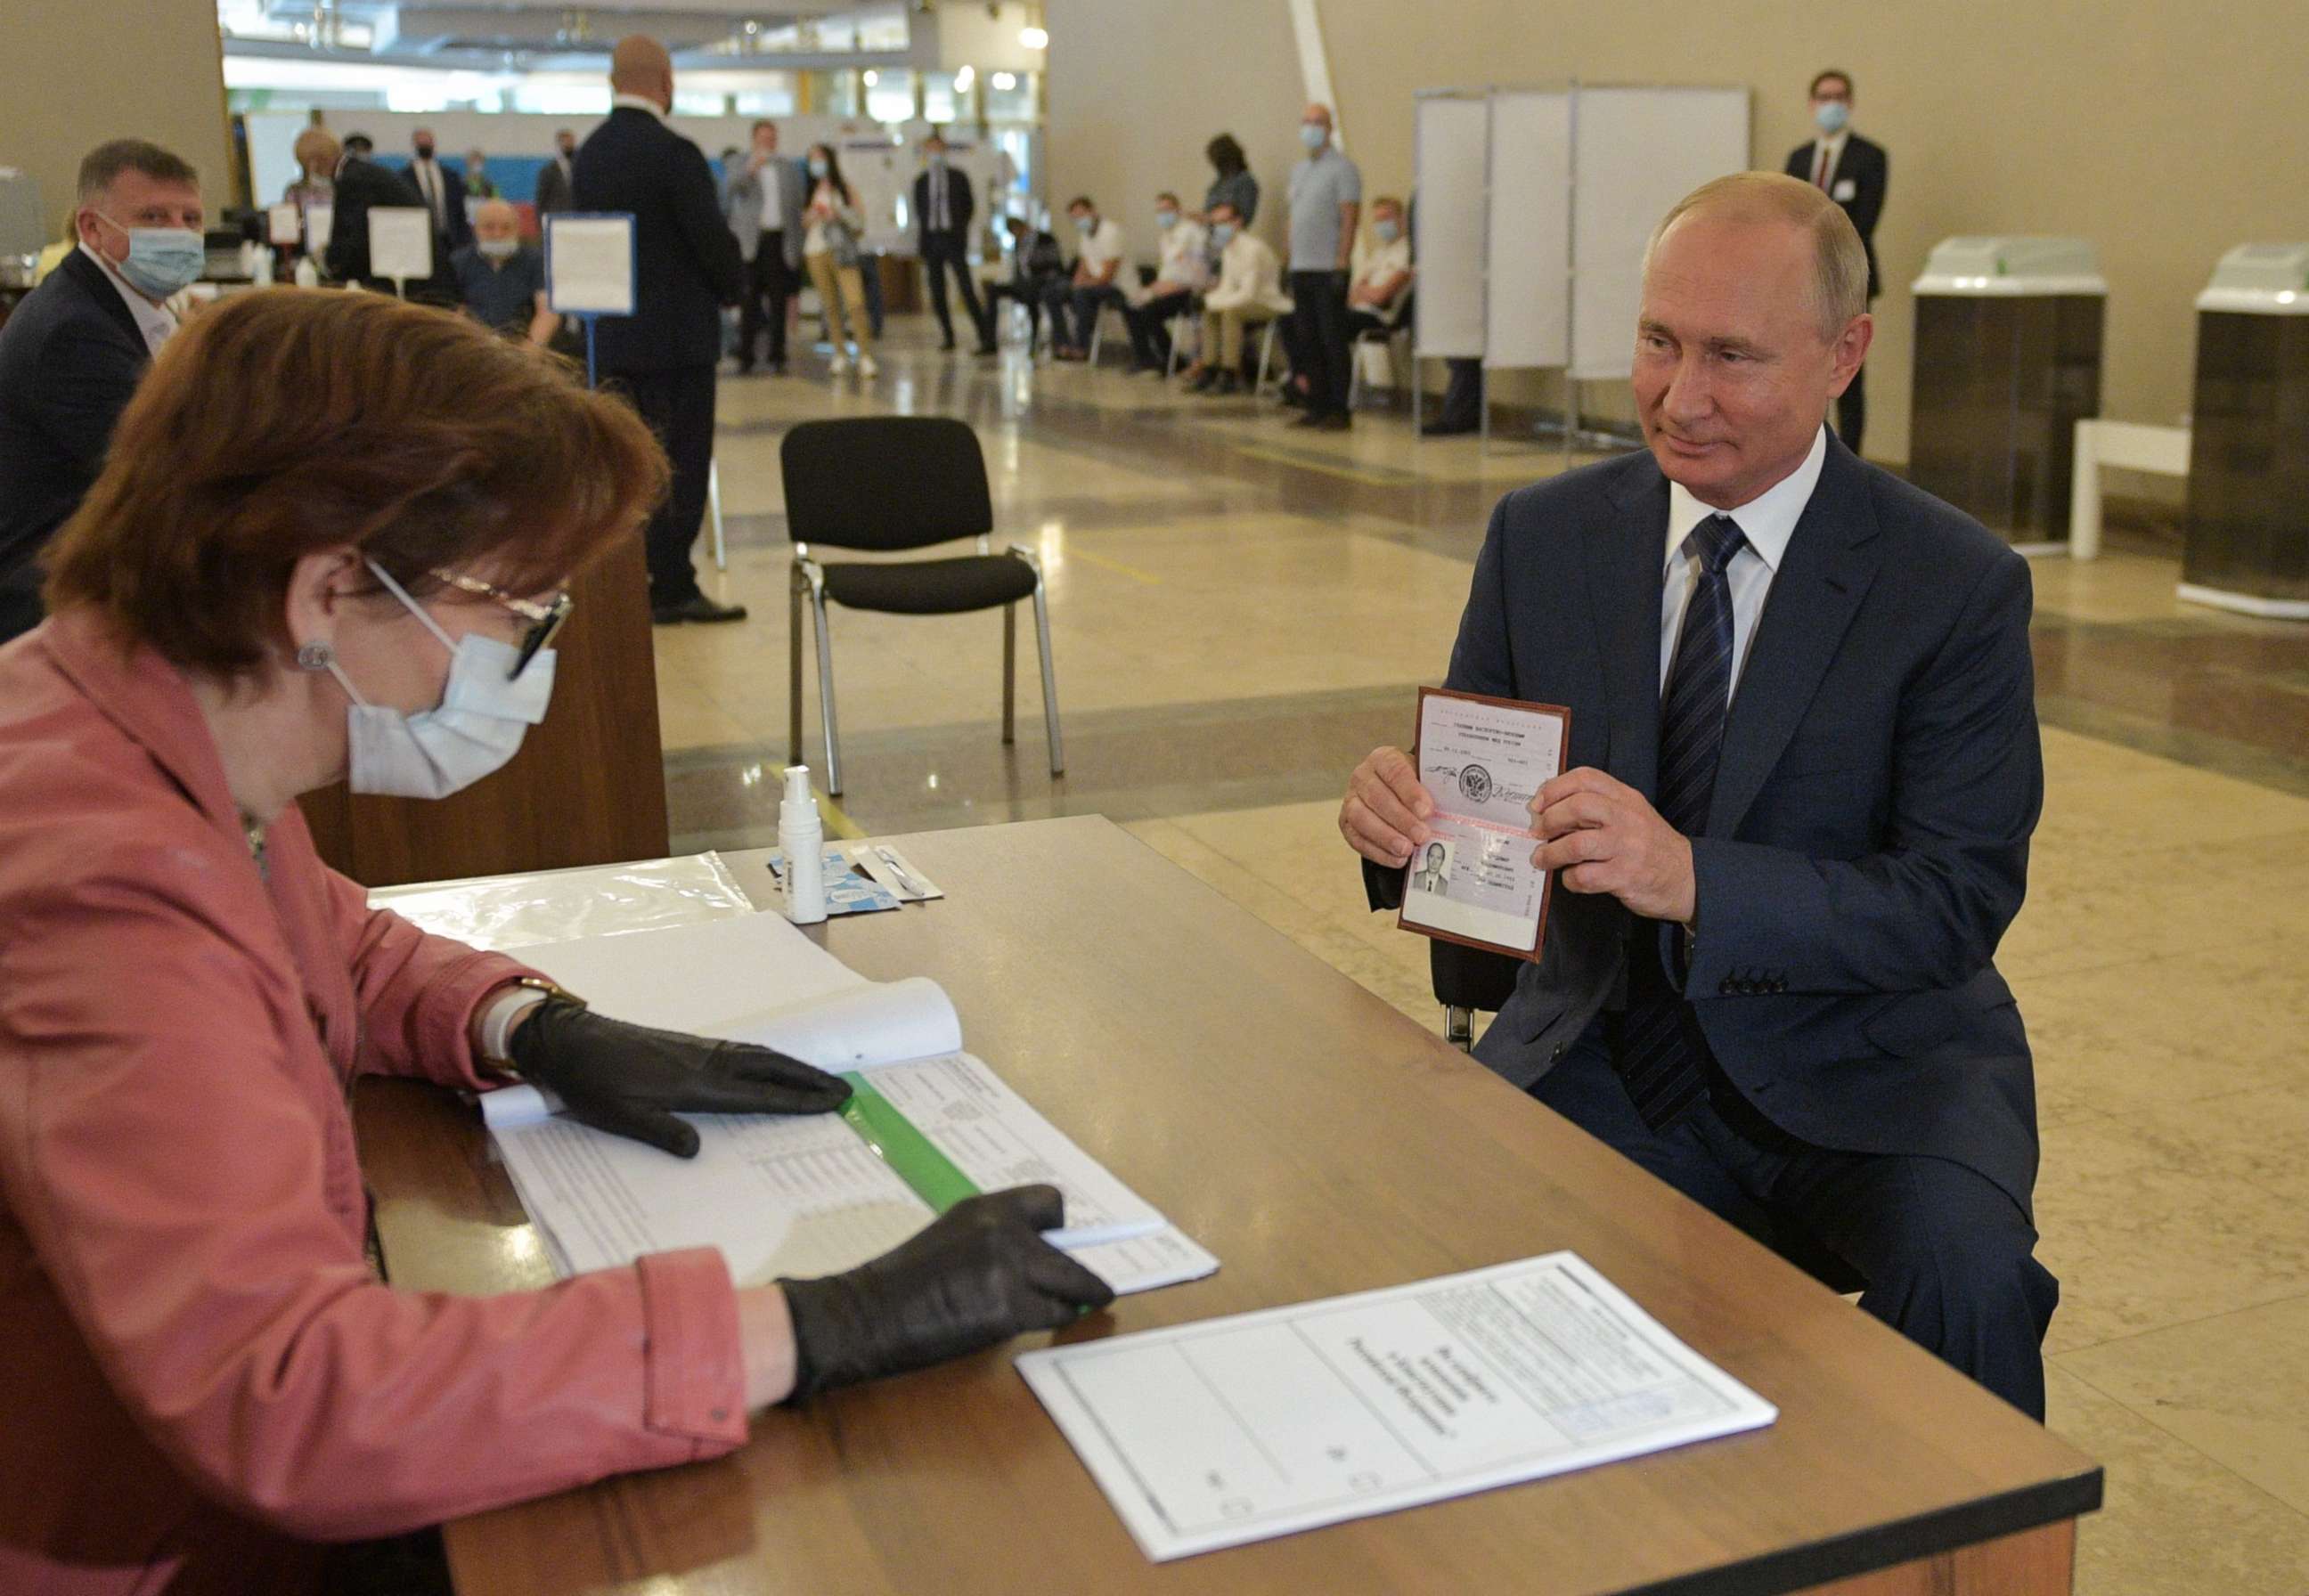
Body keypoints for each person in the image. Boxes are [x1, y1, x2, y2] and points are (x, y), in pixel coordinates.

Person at [0, 289, 1114, 1595]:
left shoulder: (139, 720)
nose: (532, 660)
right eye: (517, 612)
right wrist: (818, 1325)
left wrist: (529, 1024)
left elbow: (326, 942)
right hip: (161, 1549)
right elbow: (297, 1395)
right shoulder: (95, 879)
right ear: (328, 590)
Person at [1339, 172, 2056, 1420]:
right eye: (1658, 342)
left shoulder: (1953, 585)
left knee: (1970, 1284)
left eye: (1734, 356)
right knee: (1445, 1260)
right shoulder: (1542, 540)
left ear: (1848, 354)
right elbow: (1483, 854)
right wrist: (1408, 837)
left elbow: (1954, 902)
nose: (1682, 396)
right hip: (1608, 1044)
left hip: (1874, 1066)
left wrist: (1697, 881)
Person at [574, 35, 749, 626]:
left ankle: (629, 582)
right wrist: (735, 286)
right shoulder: (675, 153)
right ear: (666, 82)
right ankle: (673, 582)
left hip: (613, 341)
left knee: (625, 464)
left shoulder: (590, 155)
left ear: (610, 81)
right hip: (678, 341)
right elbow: (710, 242)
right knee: (680, 461)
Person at [0, 139, 202, 645]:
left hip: (108, 561)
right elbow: (164, 474)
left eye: (191, 219)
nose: (178, 234)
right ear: (93, 227)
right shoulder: (73, 332)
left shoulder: (125, 305)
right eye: (154, 217)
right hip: (57, 595)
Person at [1783, 69, 1886, 456]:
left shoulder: (1870, 157)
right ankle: (1803, 450)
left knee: (1847, 370)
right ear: (1812, 105)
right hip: (1799, 278)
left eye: (1839, 97)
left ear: (1851, 103)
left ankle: (1851, 456)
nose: (1832, 105)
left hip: (1848, 276)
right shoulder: (1799, 158)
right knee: (1803, 364)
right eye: (1824, 97)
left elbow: (1866, 220)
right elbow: (1786, 217)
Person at [1284, 104, 1361, 430]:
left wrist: (1342, 261)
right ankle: (1316, 404)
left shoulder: (1343, 169)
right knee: (1308, 338)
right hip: (1301, 265)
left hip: (1327, 267)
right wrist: (1287, 257)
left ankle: (1338, 409)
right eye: (1306, 122)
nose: (1311, 128)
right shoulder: (1299, 170)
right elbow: (1294, 217)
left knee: (1332, 339)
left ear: (1330, 128)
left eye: (1318, 122)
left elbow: (1349, 216)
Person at [1179, 200, 1288, 395]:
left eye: (1224, 222)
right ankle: (1210, 368)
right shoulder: (1228, 249)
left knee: (1231, 312)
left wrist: (1211, 301)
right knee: (1210, 310)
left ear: (1237, 222)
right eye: (1215, 223)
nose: (1219, 228)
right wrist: (1207, 301)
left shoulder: (1253, 249)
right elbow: (1228, 287)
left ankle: (1229, 373)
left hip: (1267, 302)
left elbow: (1248, 293)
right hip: (1245, 300)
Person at [724, 119, 806, 374]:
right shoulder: (740, 163)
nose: (768, 143)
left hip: (778, 240)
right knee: (749, 299)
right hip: (752, 241)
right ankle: (746, 354)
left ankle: (777, 353)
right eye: (763, 138)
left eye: (771, 138)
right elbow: (729, 190)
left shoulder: (787, 168)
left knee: (778, 299)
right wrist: (750, 169)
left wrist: (796, 245)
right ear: (754, 139)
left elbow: (796, 206)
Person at [798, 142, 877, 380]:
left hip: (842, 251)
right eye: (812, 159)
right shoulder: (809, 190)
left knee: (855, 302)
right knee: (830, 304)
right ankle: (839, 352)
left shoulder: (844, 188)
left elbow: (859, 220)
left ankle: (864, 354)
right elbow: (803, 220)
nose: (816, 163)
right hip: (816, 250)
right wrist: (814, 214)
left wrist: (837, 213)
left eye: (819, 158)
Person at [914, 132, 995, 355]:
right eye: (930, 150)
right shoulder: (921, 182)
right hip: (931, 240)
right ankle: (948, 336)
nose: (934, 154)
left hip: (953, 239)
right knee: (937, 291)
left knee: (966, 288)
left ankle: (984, 335)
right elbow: (919, 212)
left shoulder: (958, 177)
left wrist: (959, 231)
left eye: (938, 150)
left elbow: (968, 207)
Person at [1119, 192, 1210, 374]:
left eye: (1167, 210)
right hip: (1169, 286)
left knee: (1149, 311)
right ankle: (1145, 357)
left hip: (1190, 290)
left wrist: (1156, 292)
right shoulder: (1166, 236)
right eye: (1159, 211)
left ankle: (1173, 360)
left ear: (1178, 210)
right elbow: (1167, 272)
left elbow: (1193, 272)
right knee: (1130, 305)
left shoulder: (1192, 232)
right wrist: (1150, 290)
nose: (1163, 215)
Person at [322, 133, 426, 290]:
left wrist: (334, 266)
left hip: (403, 267)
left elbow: (354, 233)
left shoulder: (353, 179)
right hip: (407, 263)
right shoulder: (365, 172)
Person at [452, 199, 556, 346]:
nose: (498, 234)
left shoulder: (538, 261)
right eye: (489, 227)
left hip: (524, 349)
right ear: (475, 229)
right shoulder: (458, 262)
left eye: (506, 227)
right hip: (472, 348)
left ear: (518, 229)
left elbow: (547, 313)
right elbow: (453, 315)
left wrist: (526, 356)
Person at [1045, 195, 1126, 361]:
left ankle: (1082, 346)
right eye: (1075, 218)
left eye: (1081, 215)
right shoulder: (1085, 234)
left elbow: (1107, 275)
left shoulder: (1111, 232)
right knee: (1052, 292)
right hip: (1091, 284)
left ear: (1092, 212)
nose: (1079, 221)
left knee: (1081, 294)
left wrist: (1082, 285)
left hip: (1114, 285)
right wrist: (1076, 282)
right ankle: (1063, 344)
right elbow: (1083, 265)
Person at [985, 214, 1064, 347]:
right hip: (1022, 284)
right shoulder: (1017, 243)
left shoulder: (1044, 239)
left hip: (1041, 282)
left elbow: (1055, 265)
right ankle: (988, 340)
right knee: (993, 290)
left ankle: (1034, 337)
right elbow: (1019, 269)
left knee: (1031, 291)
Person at [1344, 195, 1414, 342]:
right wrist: (1366, 291)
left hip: (1381, 317)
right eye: (1378, 220)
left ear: (1401, 219)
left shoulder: (1408, 252)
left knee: (1330, 322)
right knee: (1296, 321)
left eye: (1386, 218)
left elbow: (1381, 297)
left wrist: (1363, 291)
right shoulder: (1378, 254)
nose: (1382, 224)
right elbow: (1352, 294)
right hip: (1358, 309)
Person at [404, 126, 472, 256]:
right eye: (421, 142)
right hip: (418, 239)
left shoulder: (450, 176)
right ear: (414, 145)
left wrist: (464, 239)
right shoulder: (405, 177)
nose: (425, 145)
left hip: (448, 239)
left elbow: (460, 211)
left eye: (427, 141)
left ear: (434, 143)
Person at [1198, 133, 1259, 231]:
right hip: (1210, 234)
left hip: (1230, 234)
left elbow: (1242, 215)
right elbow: (1208, 212)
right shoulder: (1218, 182)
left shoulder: (1245, 181)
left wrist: (1219, 216)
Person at [282, 126, 338, 213]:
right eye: (310, 160)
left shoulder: (343, 187)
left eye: (322, 159)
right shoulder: (295, 192)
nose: (315, 165)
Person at [534, 127, 579, 216]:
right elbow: (541, 199)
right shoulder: (548, 170)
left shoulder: (579, 167)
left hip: (575, 216)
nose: (569, 145)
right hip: (556, 216)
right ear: (559, 144)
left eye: (571, 142)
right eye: (566, 142)